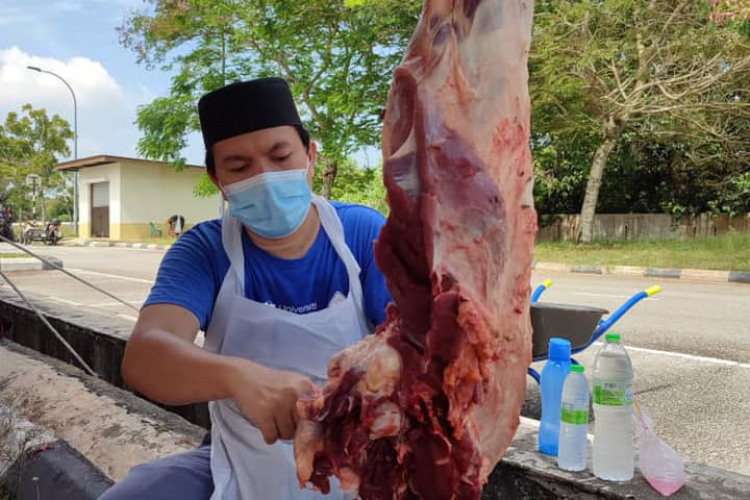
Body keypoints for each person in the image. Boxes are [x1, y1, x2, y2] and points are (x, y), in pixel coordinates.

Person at [99, 77, 392, 500]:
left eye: (279, 156)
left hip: (357, 463)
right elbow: (146, 356)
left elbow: (415, 348)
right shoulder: (204, 250)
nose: (265, 178)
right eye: (240, 168)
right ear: (219, 181)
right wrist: (240, 377)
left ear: (309, 156)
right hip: (239, 458)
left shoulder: (362, 233)